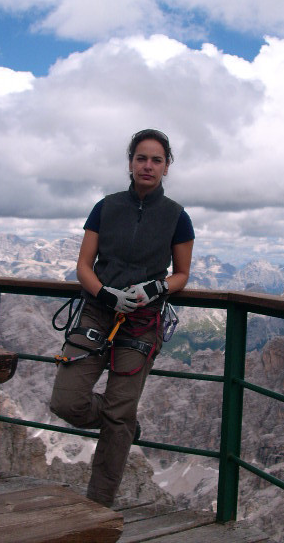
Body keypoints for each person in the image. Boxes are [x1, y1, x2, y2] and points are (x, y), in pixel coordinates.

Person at [50, 128, 194, 507]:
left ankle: (98, 509)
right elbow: (83, 266)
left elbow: (181, 273)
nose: (148, 166)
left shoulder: (177, 217)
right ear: (130, 162)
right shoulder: (106, 207)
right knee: (67, 402)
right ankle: (123, 423)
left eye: (156, 160)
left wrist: (156, 288)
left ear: (166, 167)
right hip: (97, 312)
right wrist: (105, 292)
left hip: (143, 320)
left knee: (116, 416)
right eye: (141, 158)